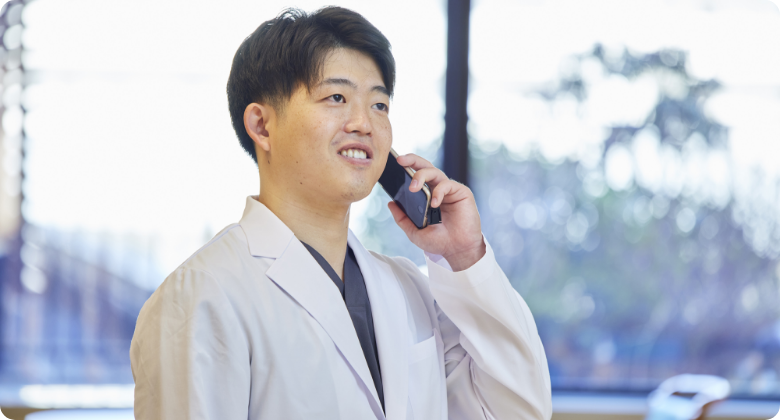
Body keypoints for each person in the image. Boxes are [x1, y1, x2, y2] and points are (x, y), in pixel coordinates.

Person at [130, 6, 551, 420]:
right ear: (261, 125)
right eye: (336, 97)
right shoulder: (200, 296)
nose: (364, 123)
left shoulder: (408, 289)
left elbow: (518, 410)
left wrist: (465, 255)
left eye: (379, 105)